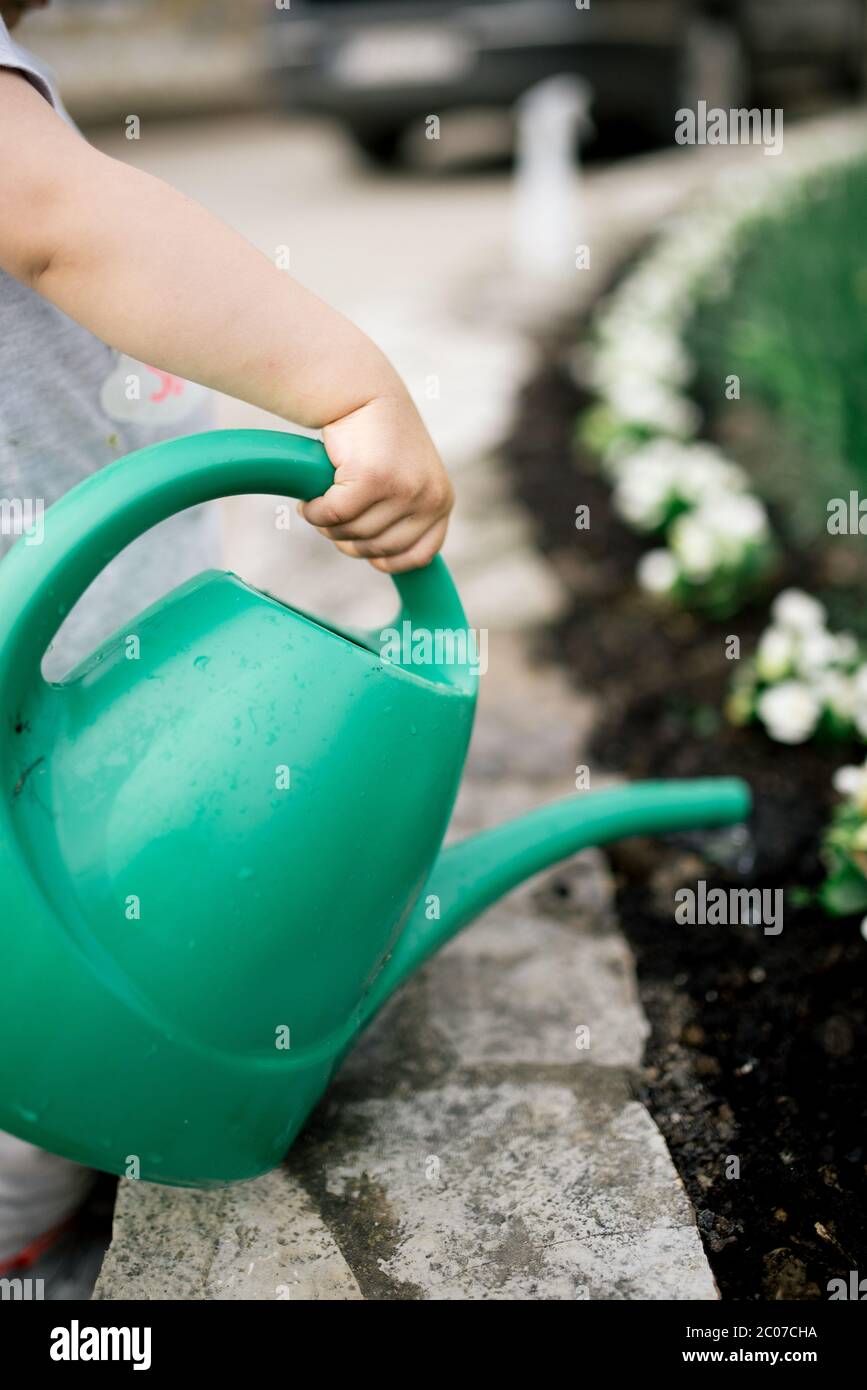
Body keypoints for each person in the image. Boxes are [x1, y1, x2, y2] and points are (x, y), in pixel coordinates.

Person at [0, 0, 453, 1285]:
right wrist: (350, 387)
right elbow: (61, 223)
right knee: (51, 1043)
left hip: (68, 696)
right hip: (67, 720)